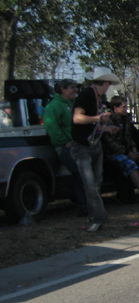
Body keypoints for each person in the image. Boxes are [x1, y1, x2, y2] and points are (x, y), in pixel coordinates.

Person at [71, 67, 122, 232]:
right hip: (83, 146)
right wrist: (98, 118)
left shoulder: (97, 98)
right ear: (105, 83)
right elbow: (77, 117)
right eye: (109, 84)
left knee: (96, 182)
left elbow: (92, 125)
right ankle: (98, 218)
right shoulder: (87, 94)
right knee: (90, 183)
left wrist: (105, 128)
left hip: (94, 143)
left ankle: (97, 217)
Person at [102, 96, 139, 206]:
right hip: (114, 153)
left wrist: (133, 149)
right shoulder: (108, 120)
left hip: (128, 150)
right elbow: (110, 142)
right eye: (124, 107)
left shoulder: (126, 119)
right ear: (115, 107)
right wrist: (127, 153)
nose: (126, 109)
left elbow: (129, 137)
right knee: (131, 166)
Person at [43, 79, 87, 217]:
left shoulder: (72, 105)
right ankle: (84, 208)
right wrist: (64, 142)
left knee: (84, 176)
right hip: (67, 148)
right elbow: (52, 127)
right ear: (63, 89)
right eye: (72, 88)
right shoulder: (54, 106)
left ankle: (86, 206)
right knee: (81, 175)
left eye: (76, 88)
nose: (75, 91)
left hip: (79, 146)